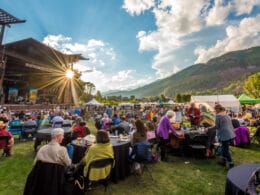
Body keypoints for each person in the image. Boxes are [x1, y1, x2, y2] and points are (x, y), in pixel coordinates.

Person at [206, 104, 235, 169]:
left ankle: (231, 164)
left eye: (215, 109)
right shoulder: (226, 115)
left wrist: (208, 129)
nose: (215, 111)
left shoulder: (218, 116)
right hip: (230, 133)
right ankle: (223, 162)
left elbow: (217, 126)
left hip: (225, 135)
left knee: (225, 150)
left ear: (218, 109)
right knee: (224, 148)